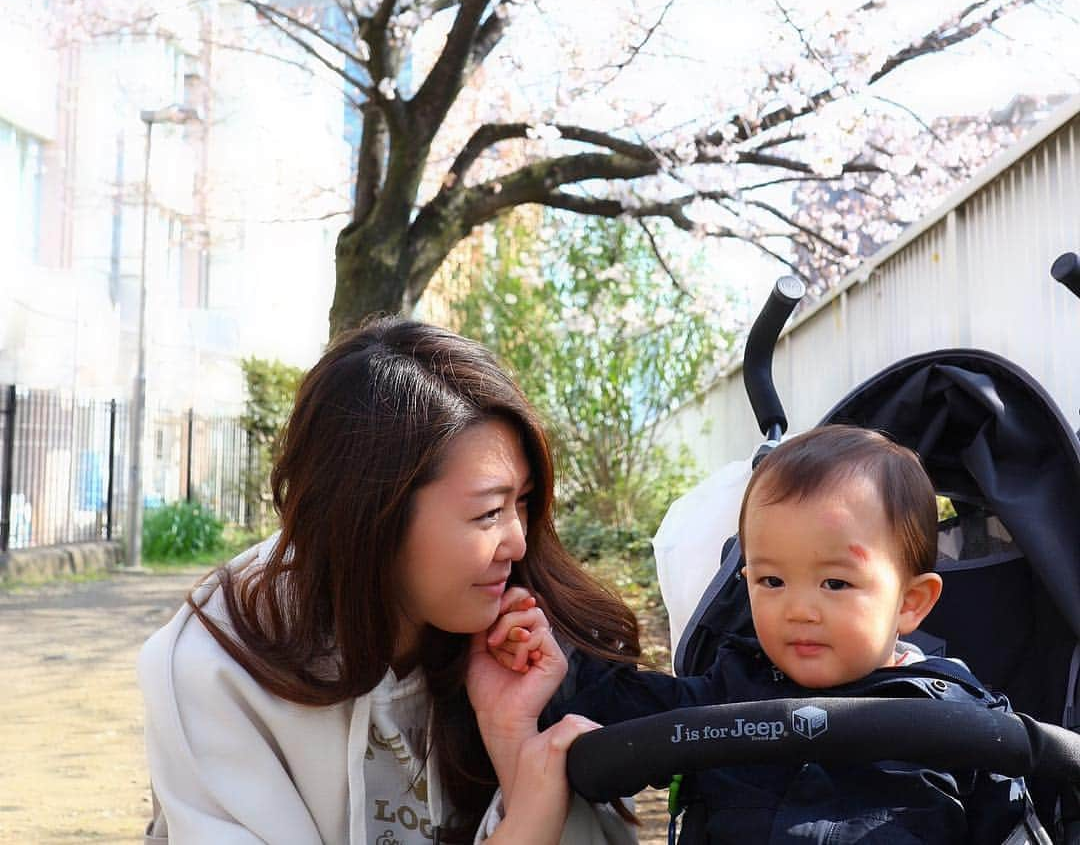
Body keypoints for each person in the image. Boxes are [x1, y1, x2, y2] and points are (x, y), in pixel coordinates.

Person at [137, 318, 640, 845]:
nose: (517, 541)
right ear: (372, 513)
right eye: (488, 512)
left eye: (523, 502)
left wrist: (513, 738)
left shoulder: (526, 651)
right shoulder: (218, 666)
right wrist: (527, 826)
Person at [528, 425, 1048, 843]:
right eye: (771, 580)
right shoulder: (726, 692)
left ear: (911, 603)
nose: (799, 609)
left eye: (836, 583)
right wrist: (555, 658)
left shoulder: (964, 723)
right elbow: (613, 711)